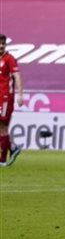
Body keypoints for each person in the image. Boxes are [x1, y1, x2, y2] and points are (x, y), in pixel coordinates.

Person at [0, 33, 20, 167]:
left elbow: (17, 76)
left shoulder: (9, 59)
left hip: (5, 98)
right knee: (2, 128)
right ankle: (13, 147)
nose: (1, 46)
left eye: (3, 43)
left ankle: (2, 159)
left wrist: (20, 94)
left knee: (3, 127)